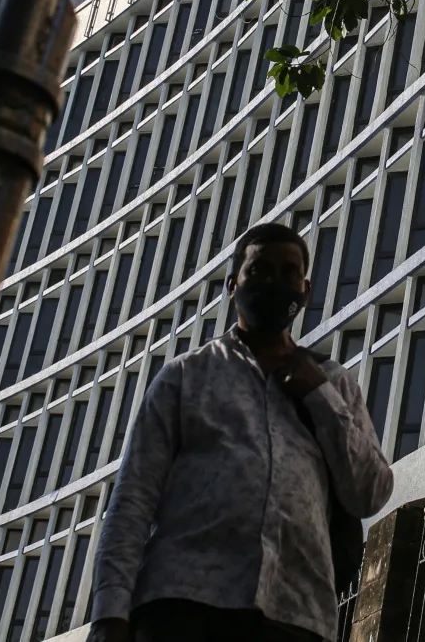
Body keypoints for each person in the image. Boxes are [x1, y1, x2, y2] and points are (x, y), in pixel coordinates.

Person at [91, 222, 394, 642]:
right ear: (233, 285)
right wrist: (109, 613)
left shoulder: (334, 384)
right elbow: (132, 502)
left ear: (305, 291)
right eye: (260, 270)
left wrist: (317, 394)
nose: (275, 282)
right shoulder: (185, 377)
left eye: (289, 273)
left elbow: (370, 493)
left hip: (296, 616)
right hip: (183, 608)